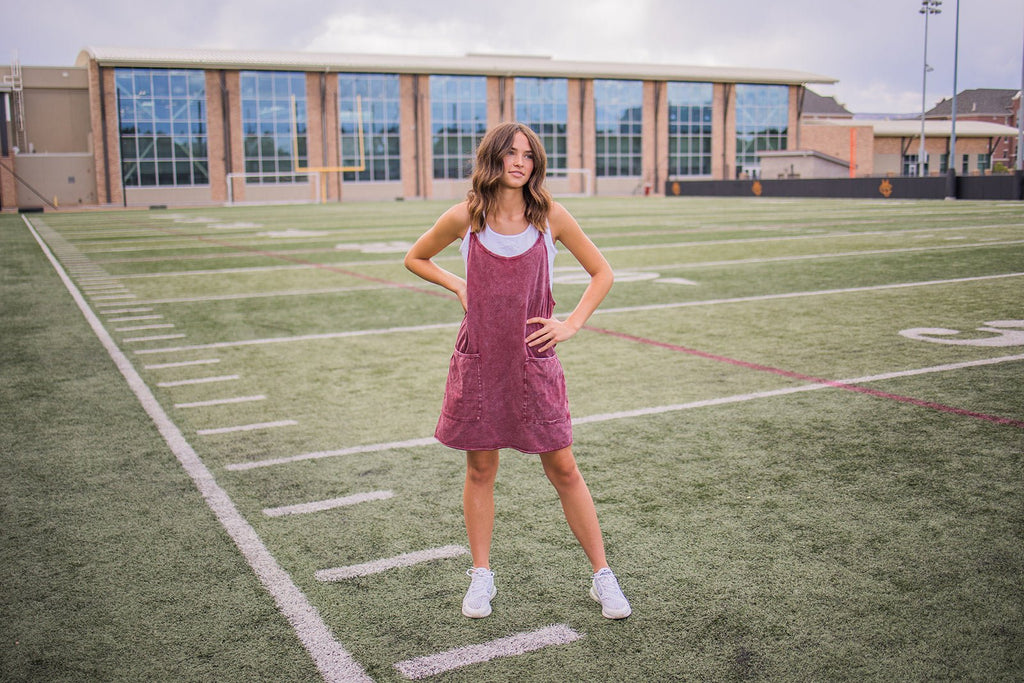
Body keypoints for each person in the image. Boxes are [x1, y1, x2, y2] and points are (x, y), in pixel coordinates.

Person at [404, 122, 630, 620]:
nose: (519, 162)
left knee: (564, 469)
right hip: (481, 360)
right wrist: (458, 286)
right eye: (510, 153)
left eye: (528, 154)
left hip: (534, 363)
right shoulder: (467, 216)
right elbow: (415, 257)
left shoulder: (550, 216)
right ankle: (481, 576)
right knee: (481, 469)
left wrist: (570, 323)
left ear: (536, 163)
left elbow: (603, 272)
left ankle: (602, 576)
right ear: (493, 159)